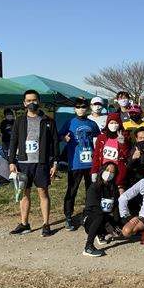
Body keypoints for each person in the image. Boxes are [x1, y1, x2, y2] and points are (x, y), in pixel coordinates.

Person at [8, 90, 58, 237]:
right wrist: (11, 161)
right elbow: (13, 141)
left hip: (41, 163)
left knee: (43, 192)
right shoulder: (20, 121)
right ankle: (24, 224)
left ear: (39, 101)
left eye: (34, 100)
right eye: (28, 101)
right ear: (24, 103)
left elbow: (55, 143)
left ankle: (46, 224)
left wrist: (55, 163)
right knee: (24, 193)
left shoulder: (48, 121)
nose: (32, 103)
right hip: (24, 162)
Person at [59, 97, 101, 231]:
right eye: (78, 107)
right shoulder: (70, 122)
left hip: (90, 164)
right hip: (75, 163)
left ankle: (88, 214)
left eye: (83, 107)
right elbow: (59, 135)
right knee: (72, 190)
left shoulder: (92, 124)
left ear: (87, 108)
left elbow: (99, 140)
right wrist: (64, 138)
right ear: (74, 109)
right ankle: (68, 216)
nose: (81, 109)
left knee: (91, 190)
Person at [82, 161, 120, 257]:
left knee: (118, 224)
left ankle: (101, 234)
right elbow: (94, 208)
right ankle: (88, 247)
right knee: (99, 215)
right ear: (102, 171)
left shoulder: (113, 188)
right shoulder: (93, 187)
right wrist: (107, 224)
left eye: (112, 172)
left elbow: (115, 207)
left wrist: (116, 224)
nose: (109, 174)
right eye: (107, 170)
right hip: (90, 218)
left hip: (103, 217)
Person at [91, 113, 130, 194]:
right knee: (102, 192)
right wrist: (94, 171)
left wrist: (123, 143)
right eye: (111, 123)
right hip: (104, 169)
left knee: (116, 193)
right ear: (107, 124)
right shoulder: (101, 138)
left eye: (116, 123)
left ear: (119, 124)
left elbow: (127, 155)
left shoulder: (124, 137)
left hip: (118, 171)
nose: (113, 125)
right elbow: (96, 155)